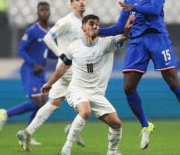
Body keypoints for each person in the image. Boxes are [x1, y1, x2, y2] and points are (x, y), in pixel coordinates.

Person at [99, 0, 180, 149]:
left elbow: (155, 9)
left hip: (157, 38)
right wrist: (97, 31)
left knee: (172, 82)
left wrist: (135, 8)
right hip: (137, 42)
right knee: (128, 87)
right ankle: (146, 126)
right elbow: (120, 27)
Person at [42, 14, 131, 155]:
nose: (95, 26)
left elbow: (122, 37)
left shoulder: (105, 43)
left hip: (96, 93)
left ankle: (112, 152)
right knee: (85, 111)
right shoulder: (74, 47)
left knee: (117, 124)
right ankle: (67, 148)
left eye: (97, 24)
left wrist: (126, 30)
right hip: (77, 90)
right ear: (83, 27)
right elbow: (63, 68)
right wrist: (49, 83)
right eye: (91, 23)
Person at [17, 0, 87, 151]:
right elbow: (49, 37)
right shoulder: (67, 21)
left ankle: (27, 132)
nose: (81, 2)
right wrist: (61, 55)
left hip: (67, 69)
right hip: (72, 68)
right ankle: (72, 131)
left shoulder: (84, 21)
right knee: (89, 101)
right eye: (77, 0)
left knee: (53, 103)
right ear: (71, 4)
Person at [0, 2, 56, 145]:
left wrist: (63, 56)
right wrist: (32, 64)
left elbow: (49, 52)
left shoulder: (50, 32)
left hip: (41, 72)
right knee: (37, 102)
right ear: (37, 12)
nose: (44, 12)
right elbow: (21, 49)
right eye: (42, 10)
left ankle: (27, 135)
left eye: (47, 10)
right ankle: (5, 114)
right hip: (30, 70)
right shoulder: (32, 30)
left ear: (50, 12)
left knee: (41, 105)